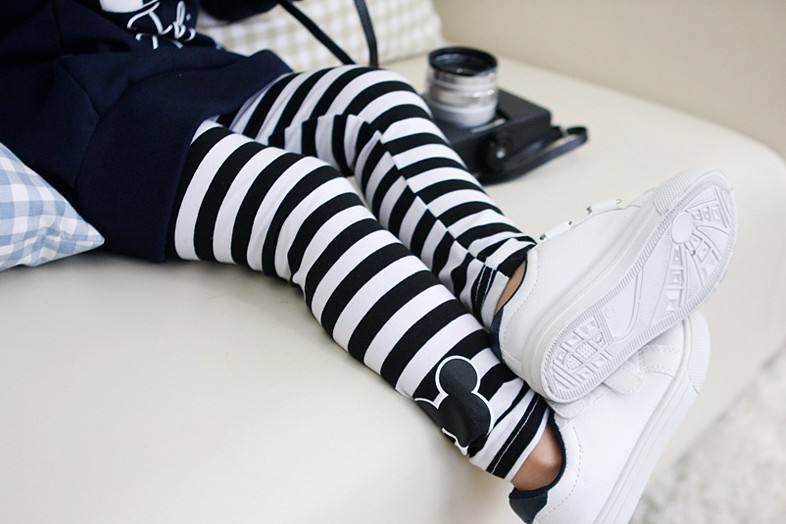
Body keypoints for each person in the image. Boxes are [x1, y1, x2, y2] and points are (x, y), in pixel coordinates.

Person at [0, 1, 737, 522]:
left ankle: (525, 296)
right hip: (73, 111)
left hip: (184, 72)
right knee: (307, 203)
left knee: (376, 99)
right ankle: (553, 464)